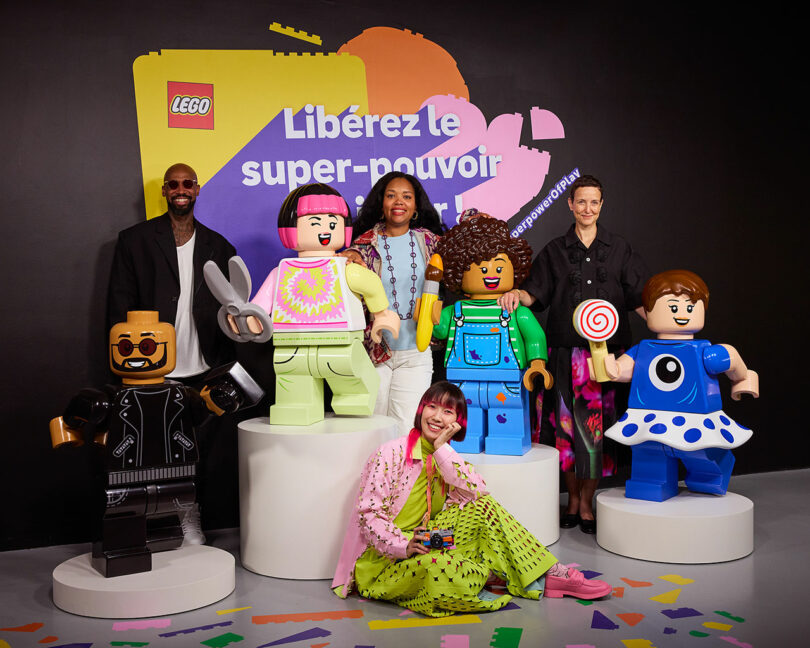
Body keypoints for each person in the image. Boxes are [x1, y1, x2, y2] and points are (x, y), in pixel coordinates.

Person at [332, 381, 611, 617]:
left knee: (481, 506)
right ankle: (495, 575)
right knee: (438, 569)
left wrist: (442, 449)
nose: (437, 417)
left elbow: (477, 492)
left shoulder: (446, 457)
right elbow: (368, 515)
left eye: (448, 411)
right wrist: (403, 545)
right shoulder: (389, 453)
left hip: (428, 540)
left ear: (457, 422)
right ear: (421, 410)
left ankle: (552, 574)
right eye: (432, 407)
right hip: (386, 560)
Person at [502, 175, 648, 534]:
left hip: (609, 358)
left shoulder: (619, 248)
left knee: (598, 432)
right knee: (567, 431)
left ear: (602, 205)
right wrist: (515, 295)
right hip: (565, 355)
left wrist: (666, 324)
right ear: (570, 204)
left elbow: (638, 298)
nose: (587, 209)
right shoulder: (553, 250)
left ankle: (587, 503)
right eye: (581, 202)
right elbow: (536, 294)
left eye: (594, 202)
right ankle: (571, 502)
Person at [107, 163, 237, 544]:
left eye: (188, 184)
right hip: (151, 369)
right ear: (164, 191)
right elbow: (118, 304)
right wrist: (122, 368)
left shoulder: (220, 246)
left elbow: (231, 311)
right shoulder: (135, 241)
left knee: (198, 455)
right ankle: (144, 526)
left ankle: (191, 520)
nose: (181, 190)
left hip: (204, 367)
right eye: (173, 184)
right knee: (147, 456)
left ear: (197, 191)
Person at [596, 270, 758, 501]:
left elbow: (732, 360)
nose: (682, 314)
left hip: (696, 417)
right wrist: (611, 368)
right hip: (648, 415)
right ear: (648, 311)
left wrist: (744, 378)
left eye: (690, 307)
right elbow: (623, 369)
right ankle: (651, 483)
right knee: (648, 450)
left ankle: (709, 477)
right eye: (673, 307)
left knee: (702, 451)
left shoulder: (704, 351)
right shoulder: (644, 350)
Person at [342, 172, 445, 435]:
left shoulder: (431, 242)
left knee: (406, 427)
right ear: (382, 203)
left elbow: (464, 257)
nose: (399, 201)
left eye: (406, 196)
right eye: (391, 195)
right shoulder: (364, 245)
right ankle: (374, 477)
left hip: (416, 352)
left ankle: (401, 477)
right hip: (375, 351)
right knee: (371, 427)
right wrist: (349, 256)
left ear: (415, 207)